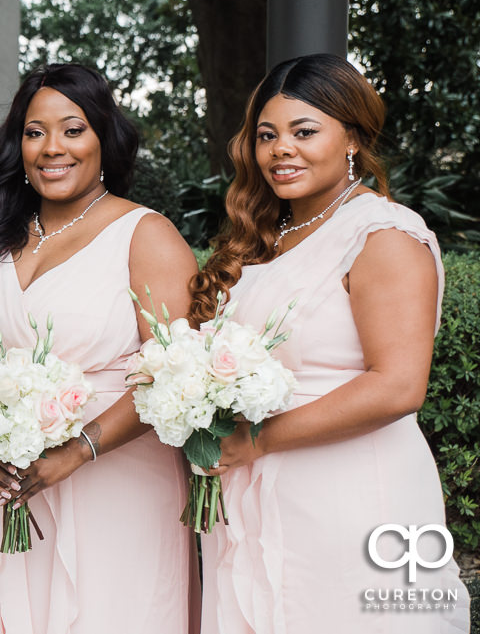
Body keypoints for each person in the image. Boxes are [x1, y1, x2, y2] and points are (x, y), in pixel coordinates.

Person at [191, 53, 470, 633]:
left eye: (304, 131)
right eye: (267, 135)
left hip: (352, 494)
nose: (280, 150)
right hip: (254, 495)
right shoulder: (262, 240)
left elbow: (397, 386)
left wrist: (258, 439)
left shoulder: (383, 235)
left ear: (353, 137)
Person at [0, 63, 199, 633]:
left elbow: (176, 379)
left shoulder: (145, 235)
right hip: (11, 490)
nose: (50, 148)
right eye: (34, 132)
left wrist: (76, 450)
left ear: (103, 138)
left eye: (72, 129)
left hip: (116, 485)